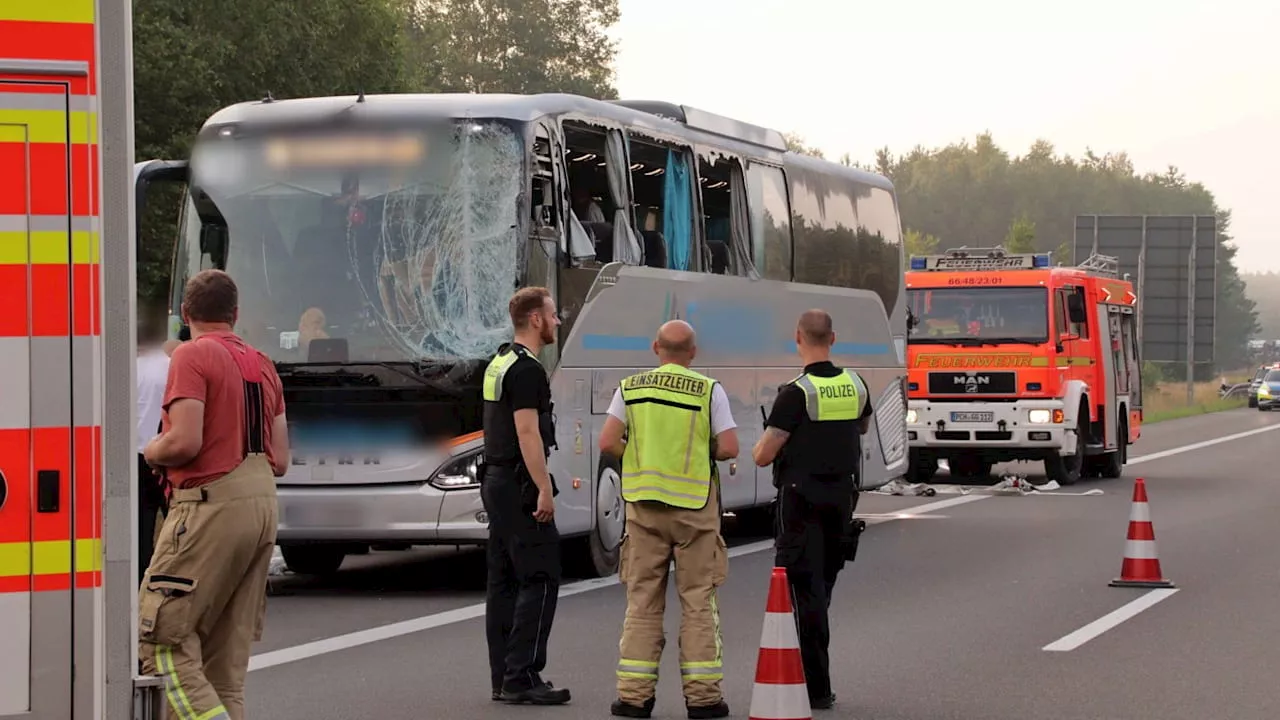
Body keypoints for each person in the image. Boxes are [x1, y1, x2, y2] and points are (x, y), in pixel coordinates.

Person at [139, 269, 291, 720]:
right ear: (235, 314)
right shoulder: (263, 364)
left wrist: (151, 449)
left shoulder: (191, 356)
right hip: (261, 505)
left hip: (209, 504)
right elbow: (280, 458)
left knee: (161, 641)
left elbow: (184, 441)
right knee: (223, 662)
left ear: (185, 315)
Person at [598, 320, 739, 720]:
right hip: (695, 510)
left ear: (655, 347)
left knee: (642, 601)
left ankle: (633, 698)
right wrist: (701, 448)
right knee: (697, 601)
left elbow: (608, 441)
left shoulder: (631, 388)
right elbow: (729, 447)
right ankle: (704, 700)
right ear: (693, 353)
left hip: (644, 509)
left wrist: (642, 456)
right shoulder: (710, 390)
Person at [751, 309, 873, 711]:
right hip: (842, 497)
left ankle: (816, 688)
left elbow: (763, 455)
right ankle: (815, 678)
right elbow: (860, 428)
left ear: (797, 337)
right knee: (822, 587)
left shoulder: (795, 393)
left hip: (800, 499)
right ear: (833, 338)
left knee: (805, 593)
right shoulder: (856, 385)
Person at [480, 286, 570, 706]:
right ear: (535, 319)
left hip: (494, 481)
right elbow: (527, 431)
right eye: (552, 315)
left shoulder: (498, 361)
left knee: (503, 582)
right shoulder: (529, 370)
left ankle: (503, 676)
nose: (556, 322)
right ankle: (524, 674)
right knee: (541, 575)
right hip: (518, 483)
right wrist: (544, 488)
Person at [135, 326, 178, 585]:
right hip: (167, 454)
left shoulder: (132, 369)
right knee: (176, 519)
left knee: (142, 523)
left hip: (137, 455)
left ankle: (142, 578)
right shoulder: (172, 368)